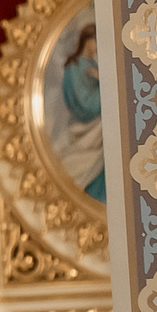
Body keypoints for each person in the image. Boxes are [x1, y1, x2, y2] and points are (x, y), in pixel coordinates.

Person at [55, 22, 107, 200]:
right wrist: (105, 85)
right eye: (97, 40)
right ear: (88, 40)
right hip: (87, 131)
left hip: (100, 132)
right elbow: (85, 104)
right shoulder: (74, 67)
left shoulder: (94, 65)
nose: (99, 46)